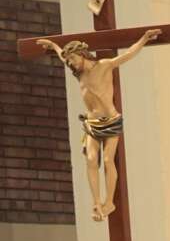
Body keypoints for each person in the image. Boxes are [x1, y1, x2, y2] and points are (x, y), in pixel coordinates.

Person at [40, 27, 160, 221]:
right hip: (91, 122)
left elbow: (127, 55)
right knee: (90, 160)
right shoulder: (79, 74)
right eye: (69, 60)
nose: (70, 63)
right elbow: (63, 57)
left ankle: (109, 202)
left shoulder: (104, 65)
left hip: (111, 120)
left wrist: (144, 39)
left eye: (72, 59)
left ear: (81, 55)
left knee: (106, 160)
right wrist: (54, 45)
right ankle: (96, 203)